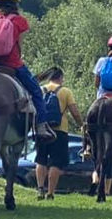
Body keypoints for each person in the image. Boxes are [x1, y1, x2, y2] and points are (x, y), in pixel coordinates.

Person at [0, 0, 55, 141]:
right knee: (36, 90)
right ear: (15, 3)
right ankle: (41, 126)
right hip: (12, 64)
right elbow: (19, 46)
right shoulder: (20, 21)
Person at [35, 67, 84, 200]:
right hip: (60, 130)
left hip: (42, 128)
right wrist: (81, 125)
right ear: (60, 78)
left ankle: (40, 188)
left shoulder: (40, 89)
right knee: (56, 162)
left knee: (41, 159)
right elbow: (74, 111)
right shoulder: (65, 91)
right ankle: (50, 192)